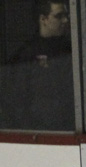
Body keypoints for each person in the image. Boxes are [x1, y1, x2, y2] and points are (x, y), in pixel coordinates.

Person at [0, 1, 73, 131]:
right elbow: (15, 100)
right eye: (59, 16)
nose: (65, 20)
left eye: (66, 15)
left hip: (67, 127)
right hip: (37, 131)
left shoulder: (72, 50)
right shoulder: (26, 55)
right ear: (43, 19)